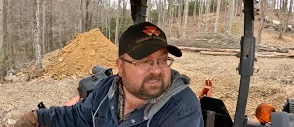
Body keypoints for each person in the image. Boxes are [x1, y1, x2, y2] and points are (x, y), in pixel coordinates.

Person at [15, 21, 204, 127]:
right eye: (145, 61)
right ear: (120, 67)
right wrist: (38, 118)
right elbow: (77, 116)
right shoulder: (108, 90)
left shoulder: (182, 109)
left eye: (163, 60)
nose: (156, 70)